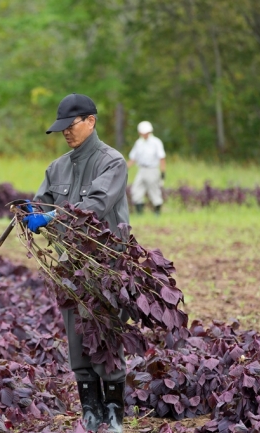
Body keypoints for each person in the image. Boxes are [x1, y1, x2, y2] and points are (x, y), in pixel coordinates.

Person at [22, 93, 128, 432]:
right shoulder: (56, 168)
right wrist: (30, 212)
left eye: (71, 126)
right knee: (76, 339)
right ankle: (90, 410)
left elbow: (95, 206)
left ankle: (114, 412)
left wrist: (52, 216)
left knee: (107, 335)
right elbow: (41, 203)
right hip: (71, 265)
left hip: (105, 265)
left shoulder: (113, 162)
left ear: (91, 121)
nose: (66, 133)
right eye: (61, 129)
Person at [126, 121, 166, 215]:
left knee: (154, 191)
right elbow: (133, 158)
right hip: (141, 170)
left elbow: (162, 158)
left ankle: (157, 213)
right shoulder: (139, 143)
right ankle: (140, 213)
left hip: (152, 169)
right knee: (136, 190)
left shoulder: (156, 142)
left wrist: (163, 173)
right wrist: (124, 168)